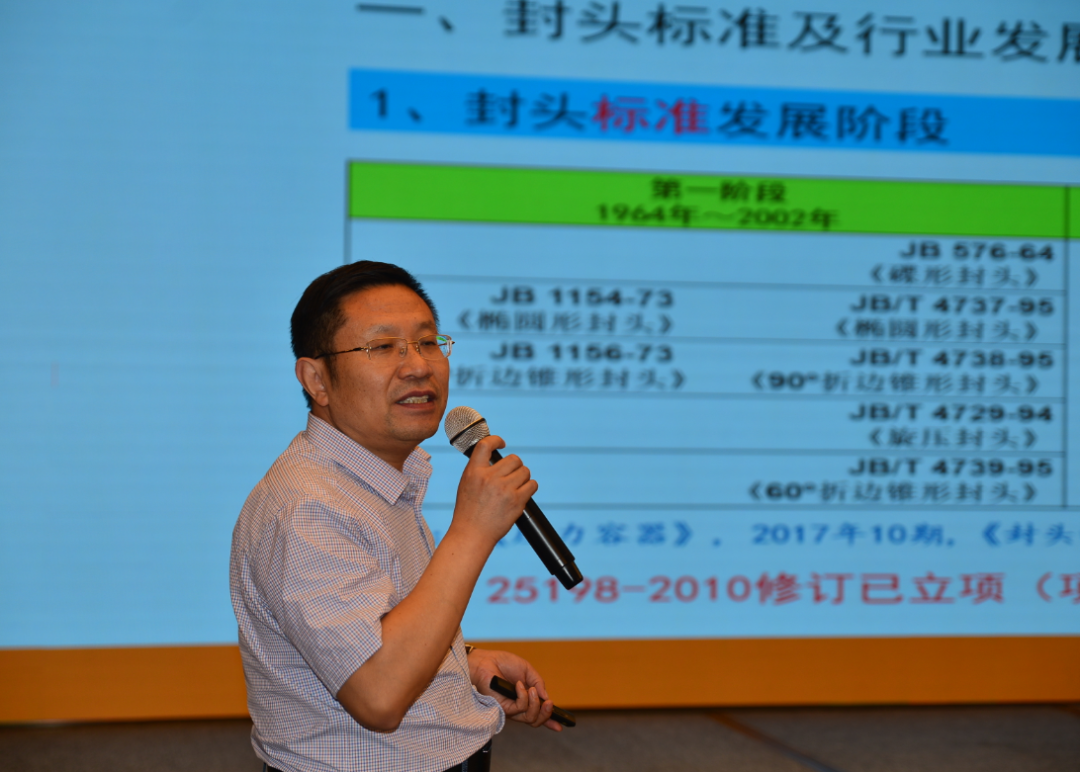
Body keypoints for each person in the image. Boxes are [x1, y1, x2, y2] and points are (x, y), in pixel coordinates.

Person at [230, 261, 561, 772]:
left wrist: (464, 663)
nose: (418, 366)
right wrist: (472, 530)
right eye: (383, 347)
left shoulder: (376, 479)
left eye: (428, 342)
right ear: (316, 379)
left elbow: (371, 634)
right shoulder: (306, 507)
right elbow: (378, 695)